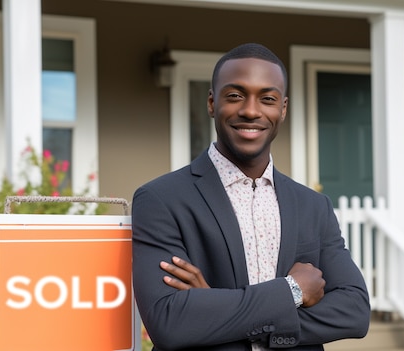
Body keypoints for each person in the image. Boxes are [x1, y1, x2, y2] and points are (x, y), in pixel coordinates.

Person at [132, 42, 370, 351]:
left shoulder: (314, 206)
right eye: (235, 96)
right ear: (212, 103)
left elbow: (354, 312)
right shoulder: (160, 199)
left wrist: (217, 312)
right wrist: (293, 291)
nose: (251, 111)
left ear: (282, 109)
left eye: (267, 99)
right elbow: (169, 321)